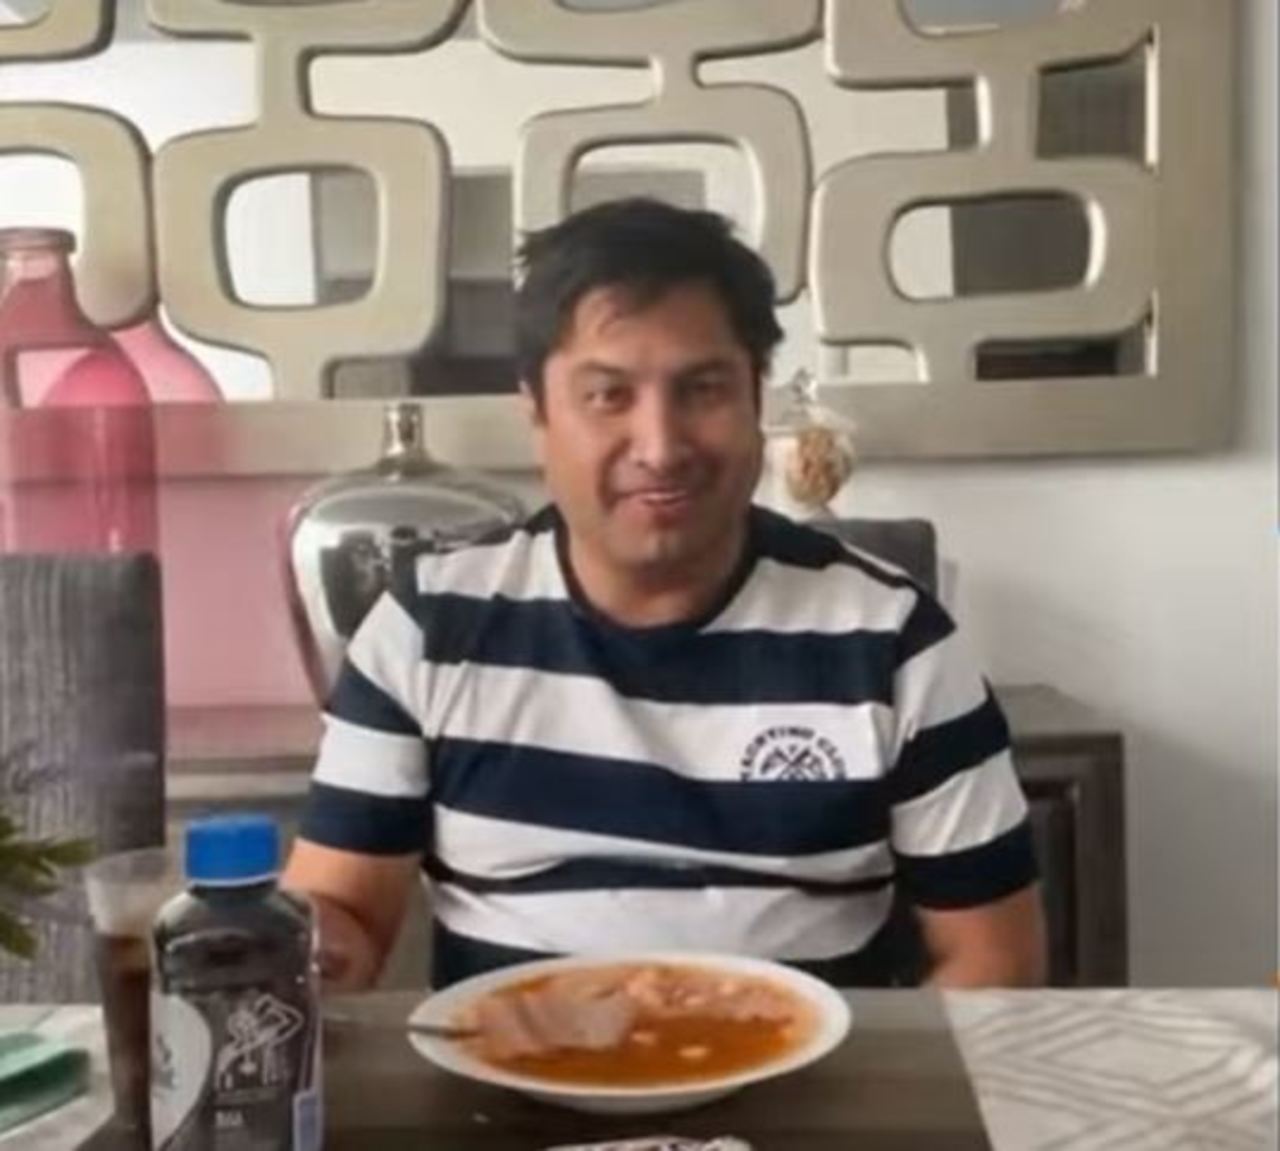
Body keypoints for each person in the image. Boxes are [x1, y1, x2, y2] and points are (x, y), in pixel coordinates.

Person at [283, 197, 1047, 992]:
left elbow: (995, 955)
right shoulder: (427, 627)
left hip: (816, 1070)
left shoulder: (894, 637)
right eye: (608, 396)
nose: (660, 446)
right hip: (510, 1070)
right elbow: (344, 914)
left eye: (703, 388)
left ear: (757, 397)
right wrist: (298, 946)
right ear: (537, 412)